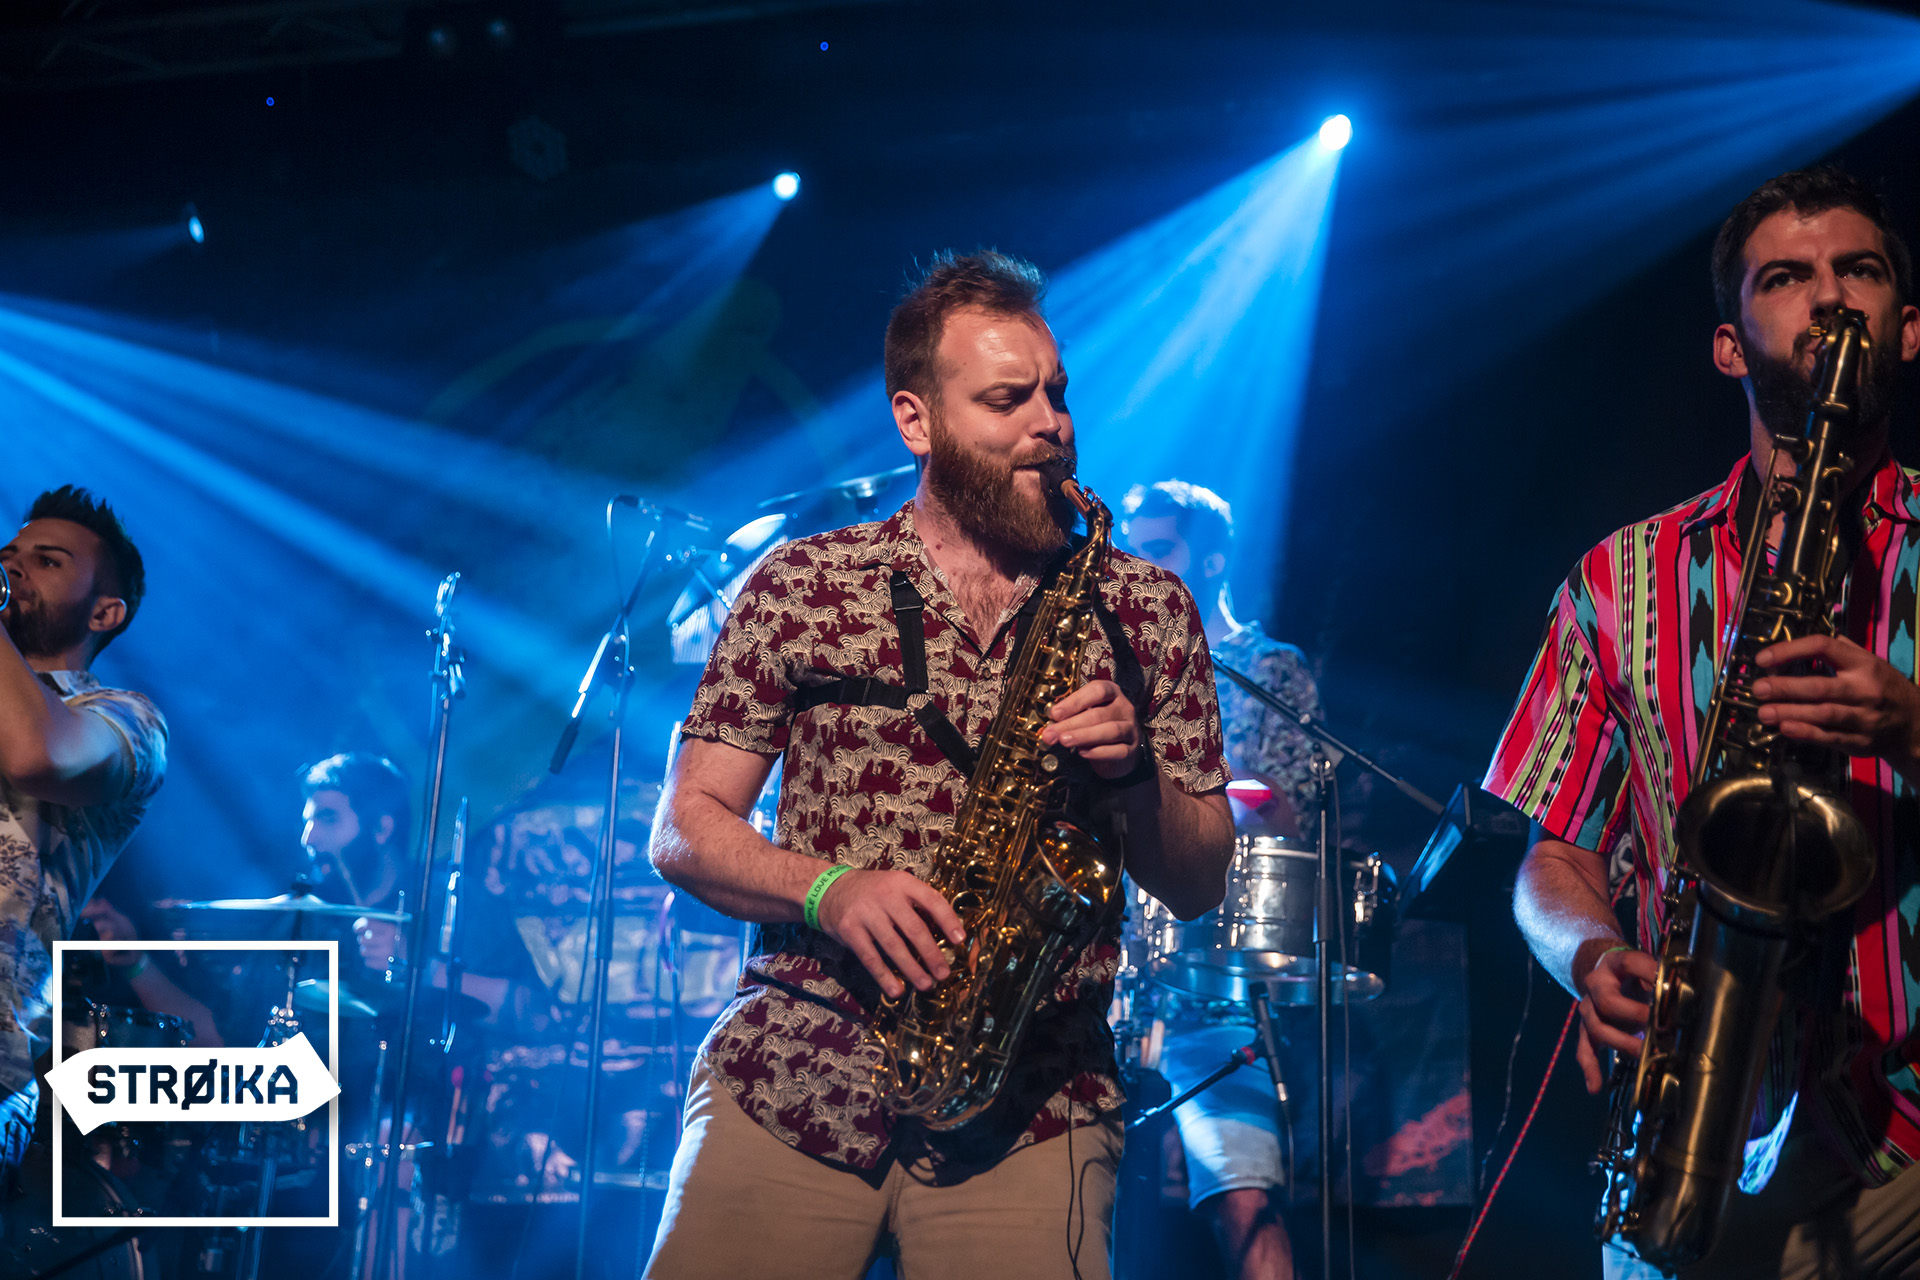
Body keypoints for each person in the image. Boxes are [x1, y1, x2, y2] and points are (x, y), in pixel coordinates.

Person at [645, 249, 1236, 1280]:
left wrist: (1137, 774)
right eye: (1007, 400)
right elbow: (684, 827)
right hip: (795, 1076)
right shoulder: (804, 583)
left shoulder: (1145, 608)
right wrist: (829, 890)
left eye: (1056, 393)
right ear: (916, 422)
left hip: (1035, 1109)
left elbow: (1198, 883)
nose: (1051, 425)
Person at [1489, 166, 1920, 1279]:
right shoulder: (1617, 577)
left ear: (1908, 328)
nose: (1830, 298)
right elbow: (1552, 858)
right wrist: (1589, 955)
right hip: (1692, 1137)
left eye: (1859, 271)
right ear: (1730, 346)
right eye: (1786, 278)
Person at [1121, 480, 1319, 1280]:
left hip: (1216, 978)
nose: (1139, 568)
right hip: (1110, 971)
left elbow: (1289, 812)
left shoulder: (1269, 668)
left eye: (1157, 551)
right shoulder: (1116, 667)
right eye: (1133, 551)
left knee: (1244, 1198)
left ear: (1209, 559)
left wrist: (1177, 791)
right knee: (1073, 1196)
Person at [0, 486, 166, 1169]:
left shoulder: (126, 719)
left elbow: (36, 757)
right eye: (9, 554)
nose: (13, 567)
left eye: (47, 561)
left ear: (105, 612)